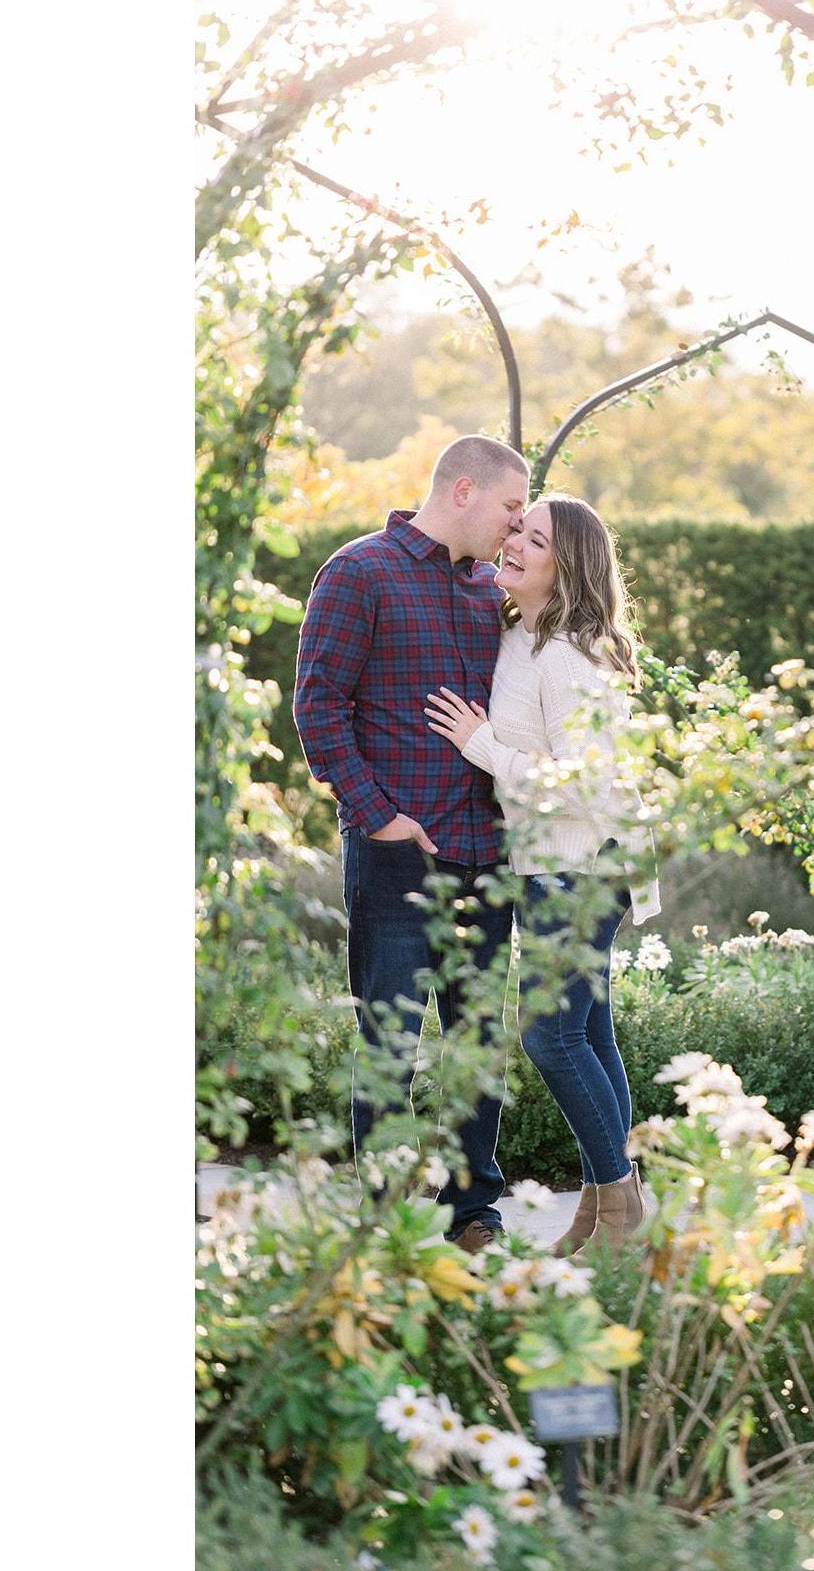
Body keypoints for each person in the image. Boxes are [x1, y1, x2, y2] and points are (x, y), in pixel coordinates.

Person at [293, 433, 528, 1254]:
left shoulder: (492, 591)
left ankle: (473, 1213)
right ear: (463, 491)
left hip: (486, 855)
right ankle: (387, 1217)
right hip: (395, 854)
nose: (517, 524)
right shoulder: (358, 572)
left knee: (477, 1043)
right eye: (510, 507)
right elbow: (318, 707)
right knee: (391, 1041)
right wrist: (379, 818)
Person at [425, 493, 660, 1255]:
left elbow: (584, 783)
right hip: (556, 862)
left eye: (535, 541)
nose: (514, 546)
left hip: (581, 865)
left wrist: (485, 747)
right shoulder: (524, 637)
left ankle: (622, 1211)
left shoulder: (566, 656)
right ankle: (602, 1207)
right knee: (588, 1032)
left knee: (551, 1037)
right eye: (517, 532)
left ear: (568, 568)